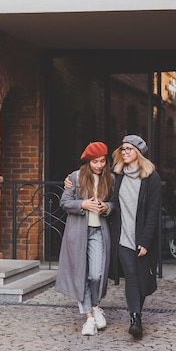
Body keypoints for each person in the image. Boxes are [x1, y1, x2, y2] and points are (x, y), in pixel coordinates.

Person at [56, 142, 115, 336]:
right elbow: (64, 202)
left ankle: (96, 305)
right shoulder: (76, 177)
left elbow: (115, 203)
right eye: (95, 162)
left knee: (96, 274)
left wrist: (107, 207)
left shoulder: (110, 178)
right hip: (79, 233)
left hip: (99, 232)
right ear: (88, 162)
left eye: (102, 161)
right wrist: (83, 204)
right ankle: (89, 317)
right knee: (82, 274)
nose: (98, 165)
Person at [109, 135, 161, 340]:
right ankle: (135, 319)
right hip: (121, 236)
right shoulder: (116, 175)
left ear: (139, 152)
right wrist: (71, 180)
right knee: (131, 274)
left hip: (141, 237)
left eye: (129, 149)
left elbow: (153, 213)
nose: (124, 152)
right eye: (122, 149)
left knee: (140, 277)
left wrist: (146, 241)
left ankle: (136, 314)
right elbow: (93, 178)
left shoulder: (151, 178)